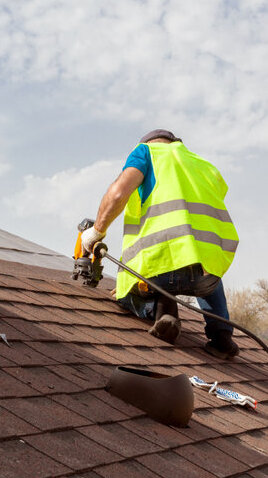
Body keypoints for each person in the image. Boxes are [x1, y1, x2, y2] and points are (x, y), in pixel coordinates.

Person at [81, 129, 239, 359]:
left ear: (149, 143)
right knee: (205, 270)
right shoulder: (203, 165)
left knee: (125, 294)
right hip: (208, 272)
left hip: (161, 269)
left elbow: (117, 194)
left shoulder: (146, 153)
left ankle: (163, 311)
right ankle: (222, 337)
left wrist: (96, 232)